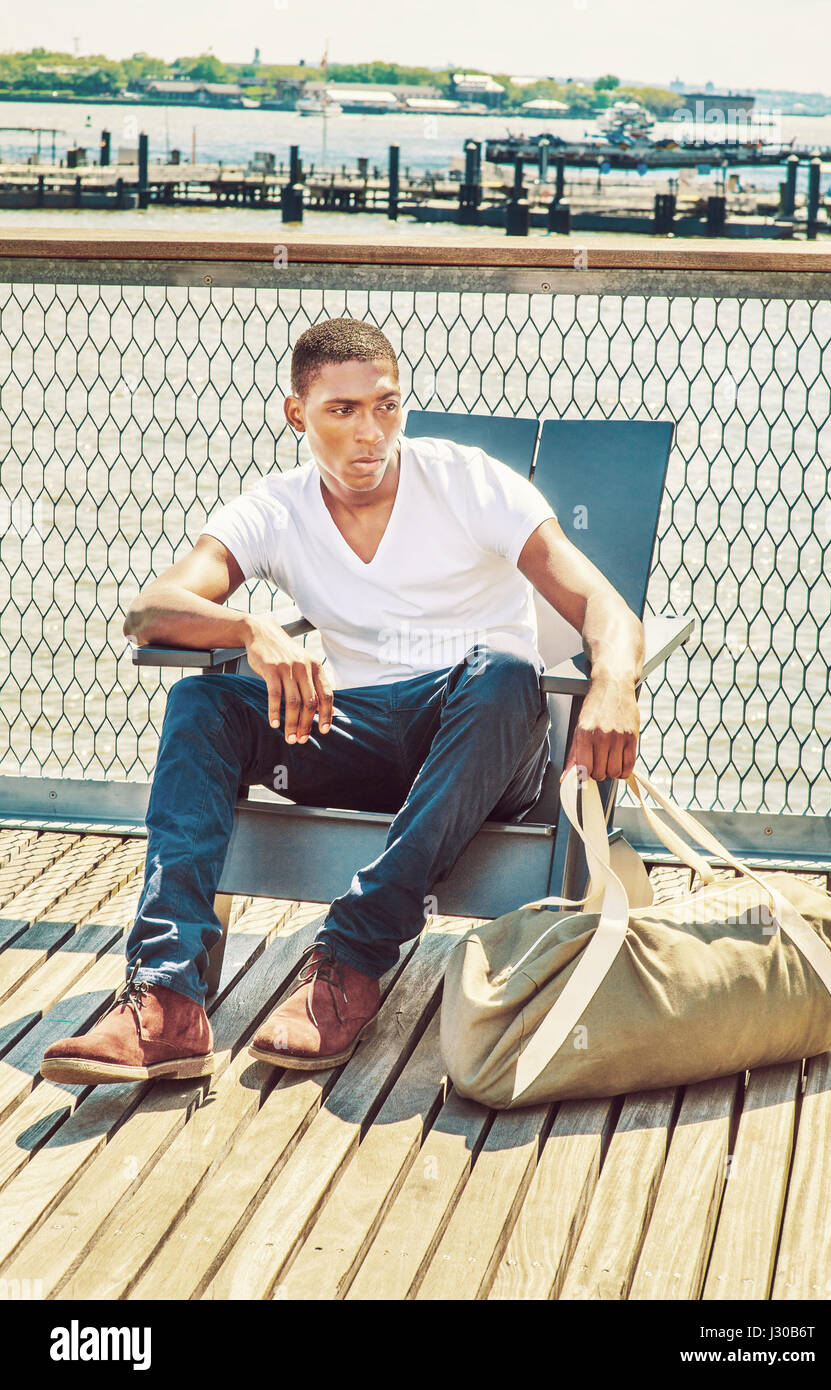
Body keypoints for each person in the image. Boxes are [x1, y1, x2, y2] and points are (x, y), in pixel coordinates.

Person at [41, 317, 644, 1086]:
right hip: (351, 734)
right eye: (342, 410)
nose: (371, 433)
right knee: (203, 702)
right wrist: (250, 625)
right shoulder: (276, 509)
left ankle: (351, 958)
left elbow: (604, 607)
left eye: (385, 406)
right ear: (297, 414)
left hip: (483, 744)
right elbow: (149, 611)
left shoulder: (468, 481)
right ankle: (168, 1002)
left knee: (501, 667)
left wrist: (613, 682)